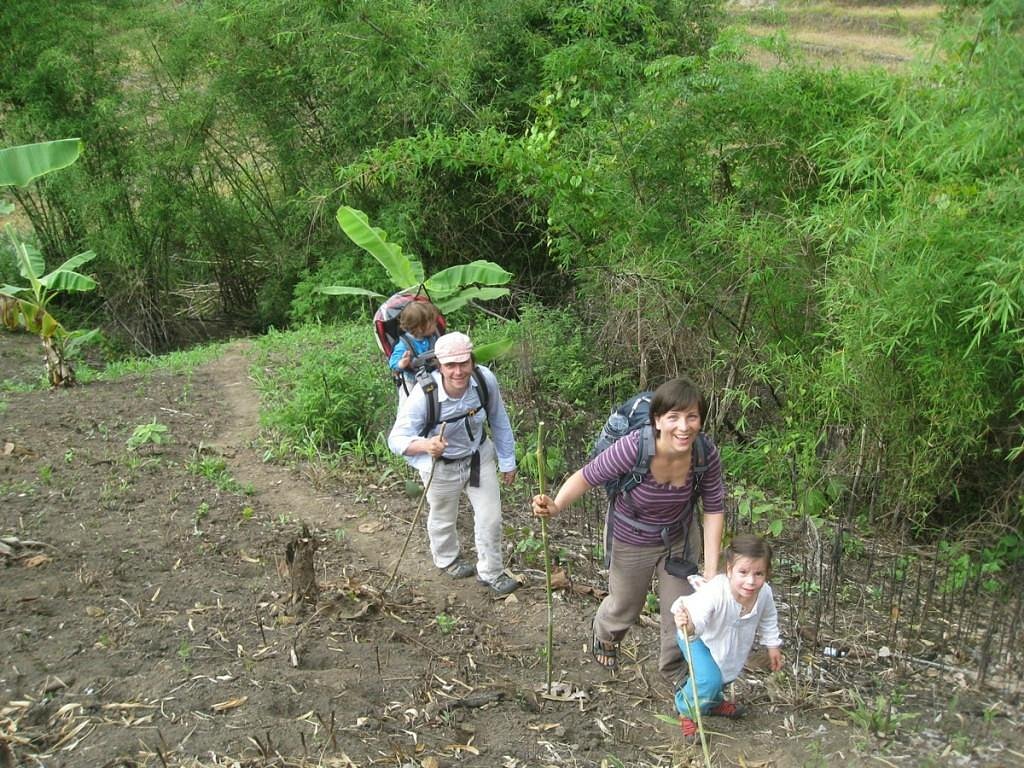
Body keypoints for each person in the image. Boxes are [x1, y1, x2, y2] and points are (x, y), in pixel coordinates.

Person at [532, 377, 726, 683]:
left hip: (678, 535)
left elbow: (714, 508)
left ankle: (675, 669)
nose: (684, 427)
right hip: (632, 535)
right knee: (626, 604)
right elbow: (587, 476)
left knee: (683, 609)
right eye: (673, 417)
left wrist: (712, 572)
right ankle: (605, 634)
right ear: (657, 420)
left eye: (692, 417)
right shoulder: (634, 447)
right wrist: (556, 505)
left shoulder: (704, 453)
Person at [388, 331, 520, 595]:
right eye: (450, 365)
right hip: (440, 465)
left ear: (472, 361)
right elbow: (396, 439)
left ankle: (491, 572)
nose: (458, 371)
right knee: (443, 516)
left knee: (490, 518)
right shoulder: (425, 394)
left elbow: (499, 419)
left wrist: (508, 461)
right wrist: (426, 445)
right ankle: (447, 558)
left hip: (478, 457)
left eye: (464, 363)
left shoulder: (484, 380)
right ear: (440, 365)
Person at [670, 533, 783, 740]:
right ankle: (685, 709)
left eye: (759, 574)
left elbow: (768, 617)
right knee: (709, 678)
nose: (751, 581)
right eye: (743, 572)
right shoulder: (717, 591)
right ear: (730, 570)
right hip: (696, 636)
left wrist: (773, 645)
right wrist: (690, 625)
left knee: (725, 672)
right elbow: (700, 619)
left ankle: (712, 704)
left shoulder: (764, 593)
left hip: (727, 641)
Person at [389, 301, 441, 404]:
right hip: (412, 379)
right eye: (433, 323)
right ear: (420, 327)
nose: (436, 325)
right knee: (407, 403)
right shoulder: (404, 344)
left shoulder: (432, 338)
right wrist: (402, 363)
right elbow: (393, 362)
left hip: (432, 375)